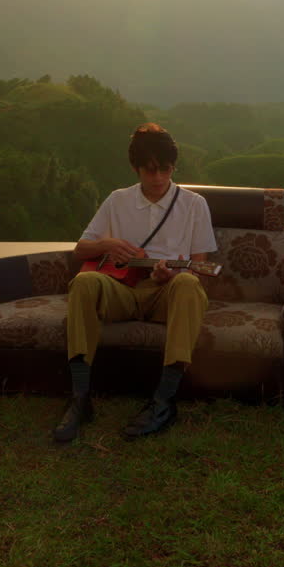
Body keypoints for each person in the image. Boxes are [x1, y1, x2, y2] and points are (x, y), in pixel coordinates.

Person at [53, 123, 217, 442]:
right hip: (123, 290)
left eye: (165, 170)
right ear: (135, 167)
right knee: (85, 282)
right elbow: (80, 250)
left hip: (167, 292)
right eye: (149, 170)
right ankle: (80, 398)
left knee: (188, 285)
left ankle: (163, 401)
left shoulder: (194, 204)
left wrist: (173, 275)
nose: (158, 178)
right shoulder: (117, 200)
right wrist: (107, 245)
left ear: (174, 166)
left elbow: (199, 266)